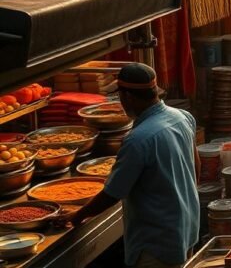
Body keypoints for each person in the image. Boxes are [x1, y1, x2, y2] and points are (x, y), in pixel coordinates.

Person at [72, 64, 201, 268]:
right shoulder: (182, 117)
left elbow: (113, 193)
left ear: (128, 97)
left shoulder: (138, 140)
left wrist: (78, 215)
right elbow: (196, 167)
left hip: (156, 243)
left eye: (121, 97)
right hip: (187, 226)